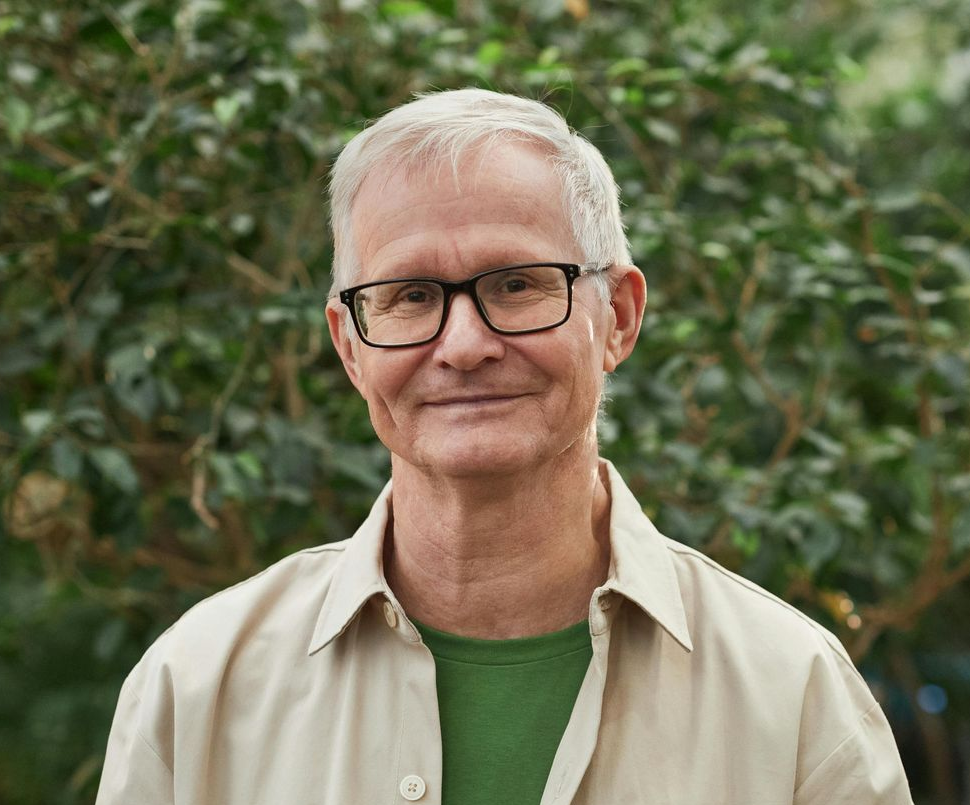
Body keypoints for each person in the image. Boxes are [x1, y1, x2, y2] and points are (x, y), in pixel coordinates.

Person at [96, 89, 913, 805]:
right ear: (350, 345)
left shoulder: (793, 696)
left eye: (515, 284)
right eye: (411, 295)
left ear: (619, 319)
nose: (463, 344)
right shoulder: (197, 687)